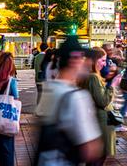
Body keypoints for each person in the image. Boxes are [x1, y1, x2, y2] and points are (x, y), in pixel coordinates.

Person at [35, 37, 102, 165]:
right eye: (84, 58)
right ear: (74, 60)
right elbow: (90, 148)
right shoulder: (77, 97)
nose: (88, 63)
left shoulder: (49, 89)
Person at [84, 48, 117, 165]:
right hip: (100, 122)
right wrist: (113, 85)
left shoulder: (90, 75)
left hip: (98, 120)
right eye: (102, 60)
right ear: (94, 60)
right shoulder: (93, 77)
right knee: (98, 158)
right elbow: (102, 101)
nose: (105, 64)